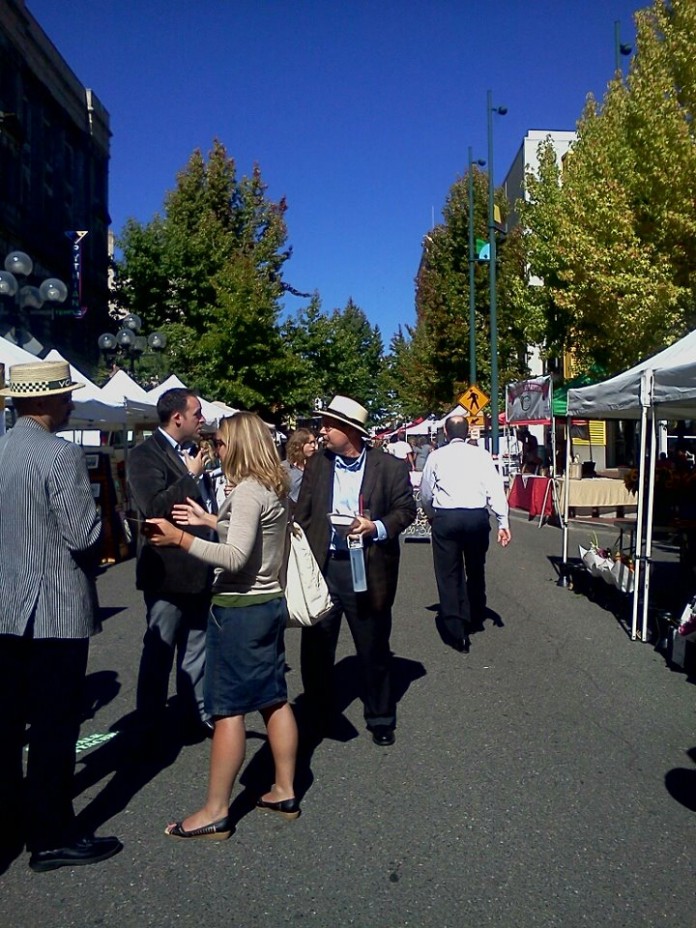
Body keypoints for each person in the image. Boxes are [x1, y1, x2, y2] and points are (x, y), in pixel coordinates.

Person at [147, 412, 300, 839]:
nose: (217, 448)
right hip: (268, 601)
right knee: (273, 698)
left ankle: (216, 810)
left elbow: (234, 557)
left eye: (223, 442)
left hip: (239, 609)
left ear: (240, 445)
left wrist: (180, 538)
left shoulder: (249, 490)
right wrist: (211, 521)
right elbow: (253, 539)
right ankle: (284, 789)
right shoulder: (272, 485)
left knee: (229, 709)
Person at [0, 360, 122, 872]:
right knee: (54, 728)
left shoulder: (3, 449)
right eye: (66, 395)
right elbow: (82, 534)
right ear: (47, 401)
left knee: (7, 726)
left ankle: (11, 821)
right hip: (54, 609)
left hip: (7, 606)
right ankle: (49, 836)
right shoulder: (61, 455)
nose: (71, 402)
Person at [295, 395, 416, 746]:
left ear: (350, 431)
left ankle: (380, 716)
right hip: (325, 565)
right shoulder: (318, 464)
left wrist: (374, 526)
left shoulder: (388, 467)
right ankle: (318, 715)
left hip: (367, 565)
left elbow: (405, 510)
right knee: (316, 648)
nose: (322, 431)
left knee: (373, 646)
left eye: (328, 426)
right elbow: (304, 512)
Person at [127, 388, 217, 737]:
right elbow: (153, 506)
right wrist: (190, 476)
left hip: (200, 567)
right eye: (197, 413)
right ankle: (149, 725)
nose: (202, 419)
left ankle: (195, 715)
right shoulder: (144, 455)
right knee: (159, 652)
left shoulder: (195, 452)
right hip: (166, 572)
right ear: (177, 417)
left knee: (197, 648)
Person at [420, 414, 511, 652]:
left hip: (447, 517)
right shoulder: (481, 456)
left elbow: (426, 492)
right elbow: (495, 488)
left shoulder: (436, 456)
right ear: (468, 432)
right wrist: (503, 522)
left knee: (448, 572)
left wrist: (430, 513)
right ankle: (476, 612)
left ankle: (455, 625)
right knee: (475, 566)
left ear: (446, 434)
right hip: (476, 517)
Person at [282, 428, 317, 503]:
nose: (314, 446)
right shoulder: (284, 468)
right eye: (310, 443)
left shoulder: (317, 466)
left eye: (314, 442)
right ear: (299, 444)